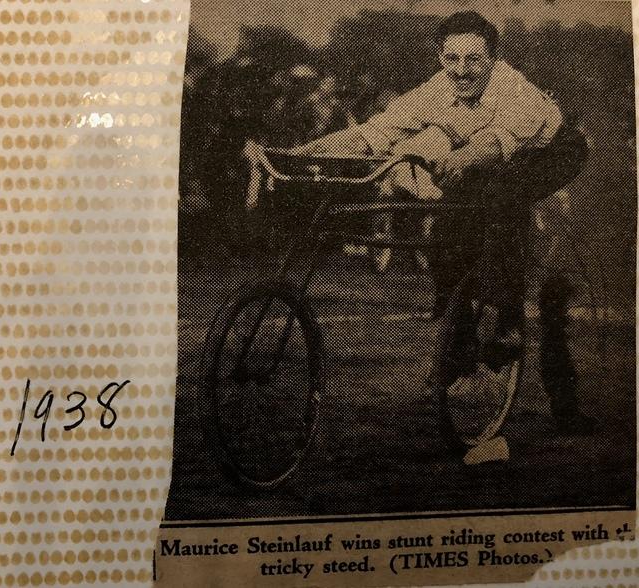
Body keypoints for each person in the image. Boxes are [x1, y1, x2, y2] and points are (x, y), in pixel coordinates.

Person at [244, 11, 594, 435]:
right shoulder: (434, 91)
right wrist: (298, 155)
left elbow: (494, 144)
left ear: (493, 58)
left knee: (504, 200)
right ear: (441, 59)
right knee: (448, 233)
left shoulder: (514, 90)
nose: (462, 69)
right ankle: (458, 341)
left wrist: (458, 159)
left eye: (474, 59)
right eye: (452, 58)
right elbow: (371, 135)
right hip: (490, 163)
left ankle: (507, 324)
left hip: (552, 153)